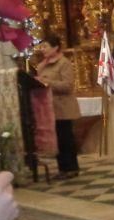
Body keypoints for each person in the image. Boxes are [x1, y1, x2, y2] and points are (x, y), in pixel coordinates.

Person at [35, 34, 81, 180]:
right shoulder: (41, 65)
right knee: (57, 140)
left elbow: (67, 85)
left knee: (65, 138)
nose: (43, 49)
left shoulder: (64, 63)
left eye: (46, 46)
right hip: (48, 108)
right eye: (41, 46)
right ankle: (62, 168)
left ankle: (72, 168)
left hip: (63, 107)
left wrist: (48, 83)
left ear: (55, 47)